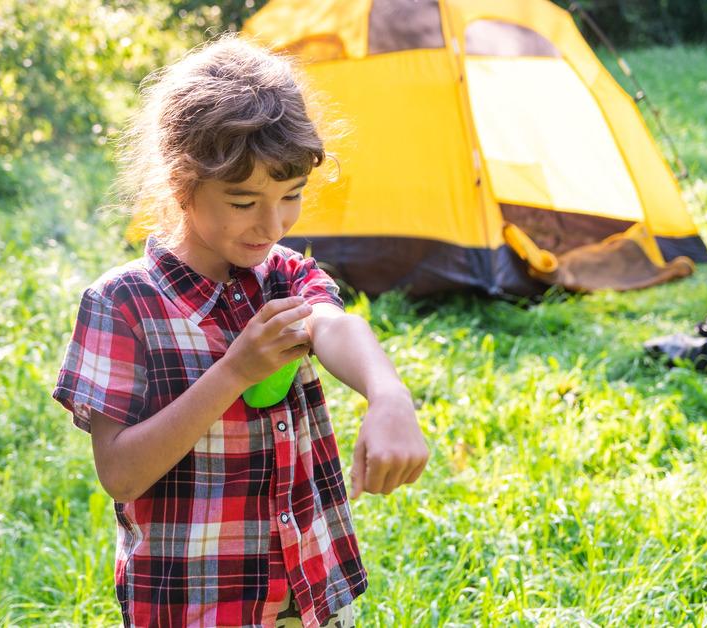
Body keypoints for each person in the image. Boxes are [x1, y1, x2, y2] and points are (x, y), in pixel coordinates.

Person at [51, 32, 429, 628]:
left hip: (304, 599)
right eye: (243, 200)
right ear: (182, 185)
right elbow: (121, 474)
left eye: (291, 196)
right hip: (194, 607)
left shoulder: (283, 276)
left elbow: (333, 323)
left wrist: (388, 394)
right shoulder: (124, 304)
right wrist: (234, 371)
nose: (272, 223)